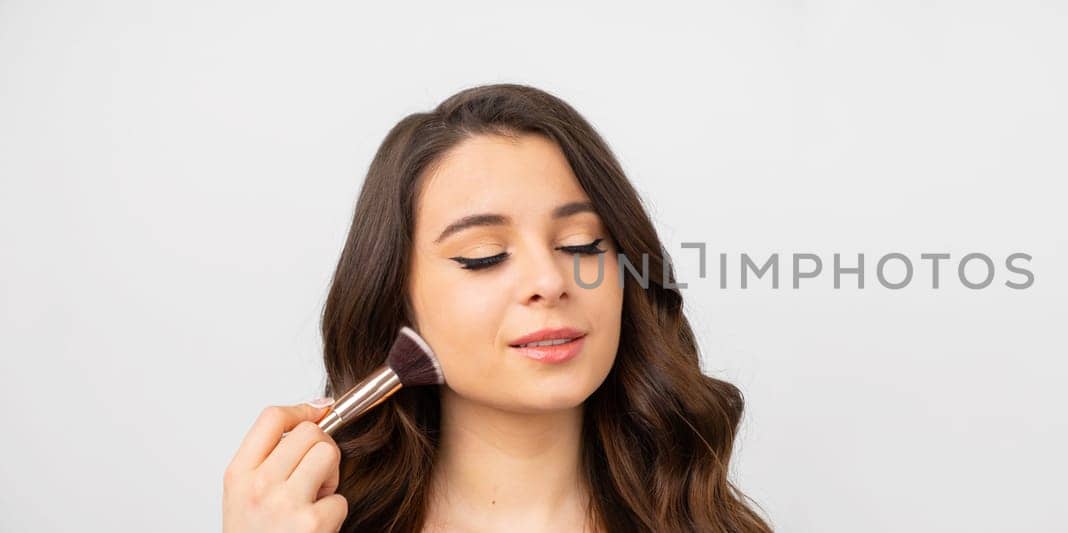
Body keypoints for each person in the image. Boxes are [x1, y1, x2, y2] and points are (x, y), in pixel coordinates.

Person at [222, 84, 772, 532]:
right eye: (483, 257)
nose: (549, 281)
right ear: (396, 300)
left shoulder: (702, 521)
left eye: (581, 246)